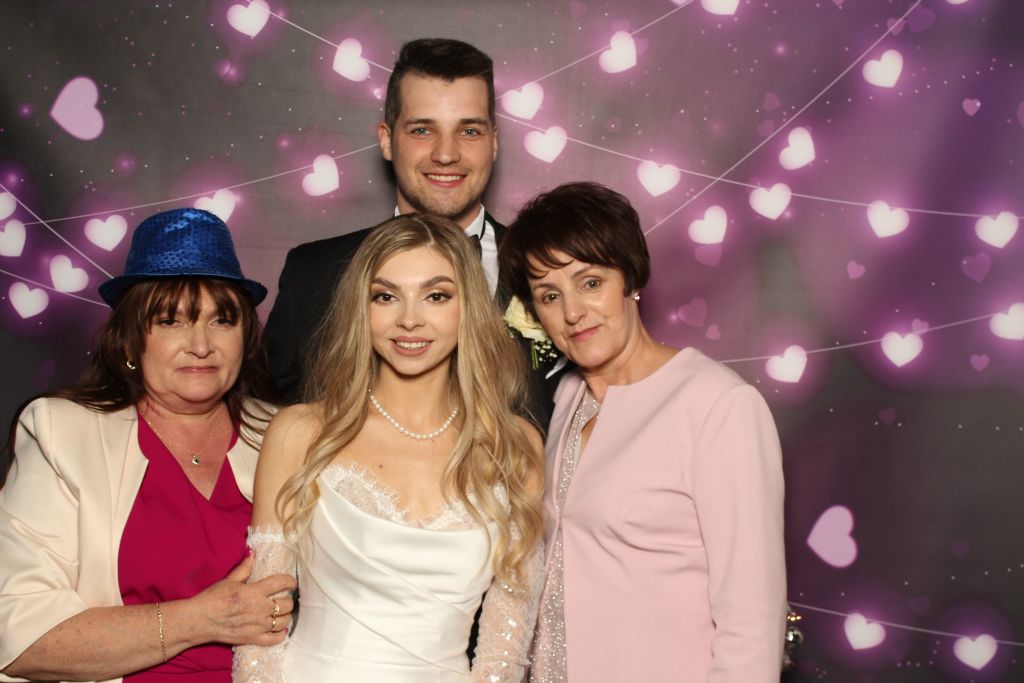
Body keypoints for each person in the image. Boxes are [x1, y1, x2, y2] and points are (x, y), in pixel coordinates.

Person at [233, 214, 544, 683]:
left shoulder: (515, 446)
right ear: (361, 308)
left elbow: (506, 641)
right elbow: (261, 626)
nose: (409, 319)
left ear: (469, 308)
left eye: (436, 296)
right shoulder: (301, 432)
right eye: (386, 296)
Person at [499, 182, 788, 682]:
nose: (572, 312)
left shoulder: (717, 406)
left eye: (591, 283)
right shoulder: (566, 399)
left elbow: (751, 626)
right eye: (549, 295)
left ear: (630, 278)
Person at [0, 208, 295, 683]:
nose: (201, 345)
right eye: (170, 321)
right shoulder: (62, 433)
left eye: (222, 321)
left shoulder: (288, 434)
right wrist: (202, 618)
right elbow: (18, 638)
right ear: (129, 341)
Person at [262, 37, 559, 425]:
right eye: (422, 130)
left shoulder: (549, 272)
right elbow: (267, 418)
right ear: (386, 140)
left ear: (494, 143)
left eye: (469, 131)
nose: (446, 154)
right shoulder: (311, 274)